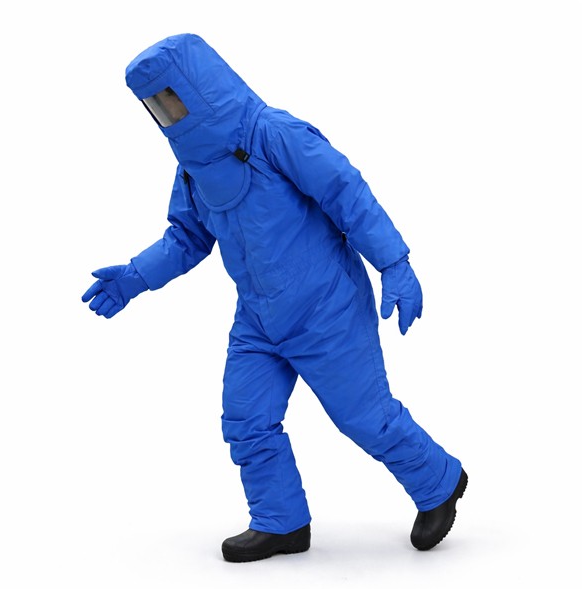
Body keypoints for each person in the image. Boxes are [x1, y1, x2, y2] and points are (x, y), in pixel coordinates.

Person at [82, 33, 467, 562]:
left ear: (200, 84)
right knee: (246, 419)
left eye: (172, 97)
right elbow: (187, 237)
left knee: (365, 417)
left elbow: (344, 191)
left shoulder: (272, 133)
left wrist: (394, 263)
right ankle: (280, 521)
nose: (168, 112)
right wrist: (134, 277)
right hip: (259, 319)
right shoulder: (193, 168)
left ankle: (438, 480)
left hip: (326, 309)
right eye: (156, 105)